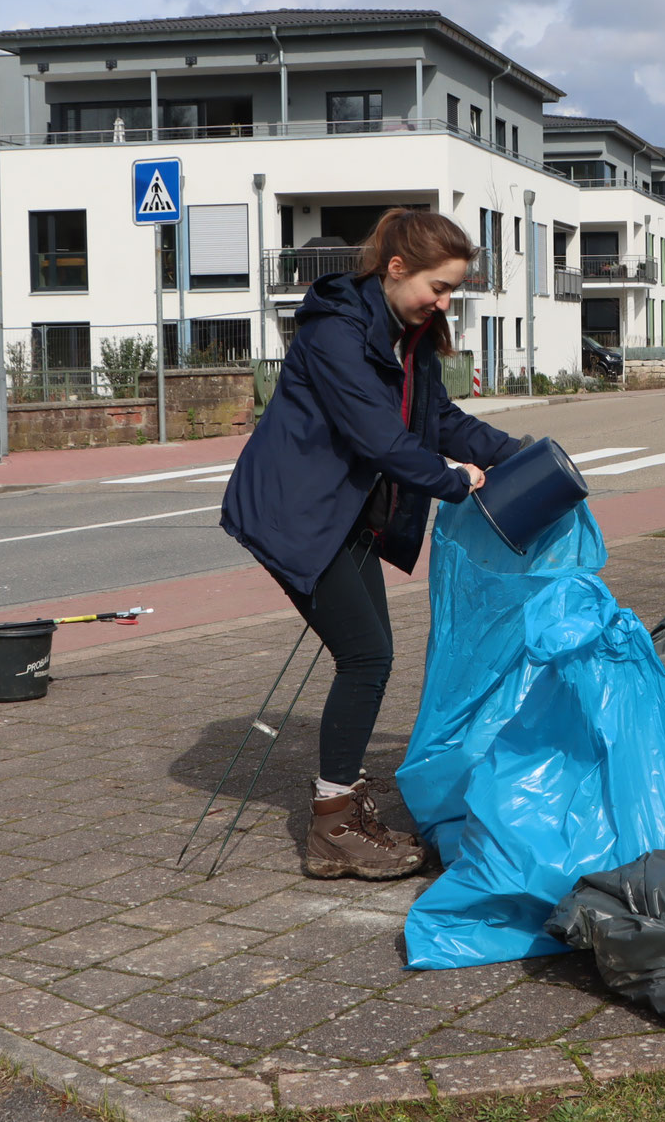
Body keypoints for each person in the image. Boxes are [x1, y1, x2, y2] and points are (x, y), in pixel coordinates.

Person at [222, 208, 523, 880]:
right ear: (395, 269)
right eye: (438, 288)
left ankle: (343, 806)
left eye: (452, 291)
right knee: (365, 656)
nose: (444, 303)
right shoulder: (336, 332)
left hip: (347, 513)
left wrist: (520, 455)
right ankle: (332, 828)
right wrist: (453, 480)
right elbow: (376, 436)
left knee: (372, 655)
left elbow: (436, 418)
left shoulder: (405, 335)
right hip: (294, 513)